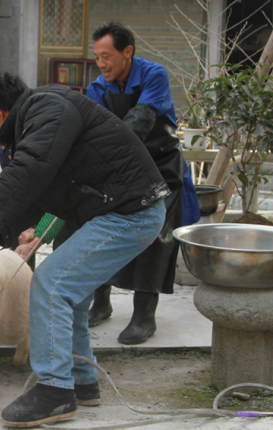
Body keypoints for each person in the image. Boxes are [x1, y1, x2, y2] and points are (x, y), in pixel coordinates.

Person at [0, 72, 168, 427]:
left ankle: (54, 391)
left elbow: (33, 167)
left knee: (51, 284)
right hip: (116, 211)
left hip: (130, 213)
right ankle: (82, 381)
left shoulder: (48, 106)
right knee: (73, 296)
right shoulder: (44, 116)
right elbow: (49, 189)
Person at [86, 21, 200, 345]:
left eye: (107, 56)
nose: (102, 64)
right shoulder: (98, 88)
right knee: (103, 227)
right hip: (123, 168)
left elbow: (141, 120)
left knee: (156, 237)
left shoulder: (153, 75)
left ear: (128, 52)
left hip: (162, 168)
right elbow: (93, 131)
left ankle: (144, 316)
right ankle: (101, 301)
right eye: (97, 57)